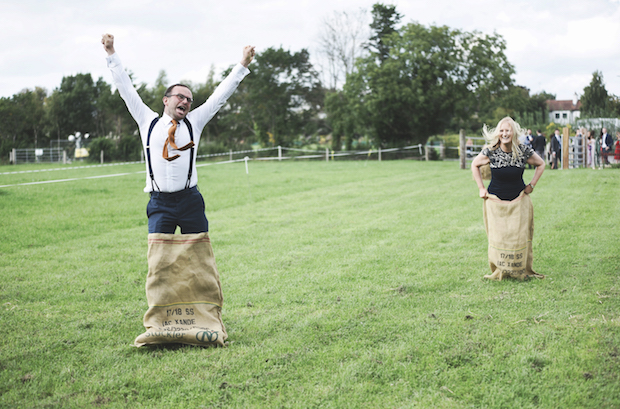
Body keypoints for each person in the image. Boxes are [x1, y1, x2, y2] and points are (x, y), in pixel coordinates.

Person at [102, 33, 255, 347]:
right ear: (166, 100)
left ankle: (205, 317)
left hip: (190, 200)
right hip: (159, 202)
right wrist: (111, 52)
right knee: (159, 263)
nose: (186, 102)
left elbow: (220, 96)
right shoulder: (146, 121)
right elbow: (125, 87)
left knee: (199, 259)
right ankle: (160, 320)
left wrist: (242, 65)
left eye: (189, 99)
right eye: (180, 97)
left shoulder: (194, 123)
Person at [471, 117, 545, 281]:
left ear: (514, 132)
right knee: (498, 236)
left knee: (519, 235)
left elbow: (541, 164)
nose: (505, 134)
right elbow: (474, 165)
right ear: (498, 133)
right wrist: (481, 188)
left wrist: (531, 185)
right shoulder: (490, 151)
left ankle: (519, 268)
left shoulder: (523, 150)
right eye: (502, 131)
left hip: (519, 201)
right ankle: (500, 269)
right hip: (495, 202)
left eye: (508, 130)